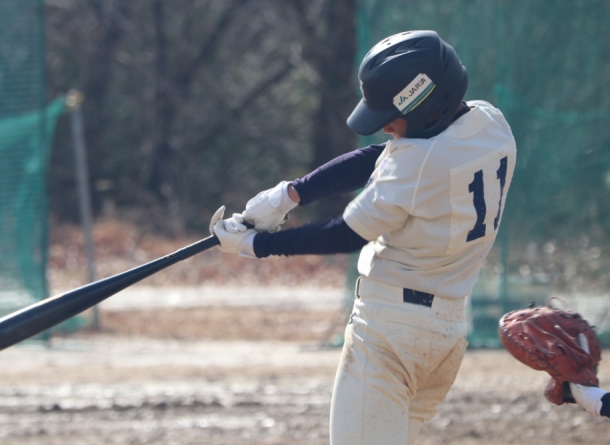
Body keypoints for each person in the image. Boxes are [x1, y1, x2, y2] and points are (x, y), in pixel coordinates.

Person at [210, 30, 517, 444]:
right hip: (446, 333)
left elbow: (346, 233)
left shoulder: (418, 163)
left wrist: (257, 245)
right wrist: (289, 195)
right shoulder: (490, 122)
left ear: (430, 110)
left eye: (393, 115)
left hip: (391, 334)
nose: (385, 125)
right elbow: (383, 158)